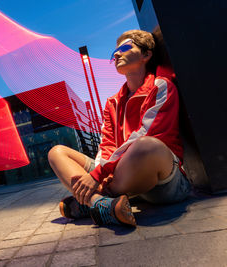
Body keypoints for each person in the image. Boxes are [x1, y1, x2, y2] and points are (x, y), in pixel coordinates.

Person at [48, 30, 192, 227]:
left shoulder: (160, 87)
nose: (116, 54)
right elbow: (106, 143)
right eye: (114, 51)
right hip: (119, 177)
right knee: (57, 152)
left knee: (147, 145)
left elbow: (145, 134)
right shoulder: (113, 102)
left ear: (146, 55)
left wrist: (97, 177)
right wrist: (98, 172)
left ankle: (91, 200)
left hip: (163, 183)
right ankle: (99, 203)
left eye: (125, 48)